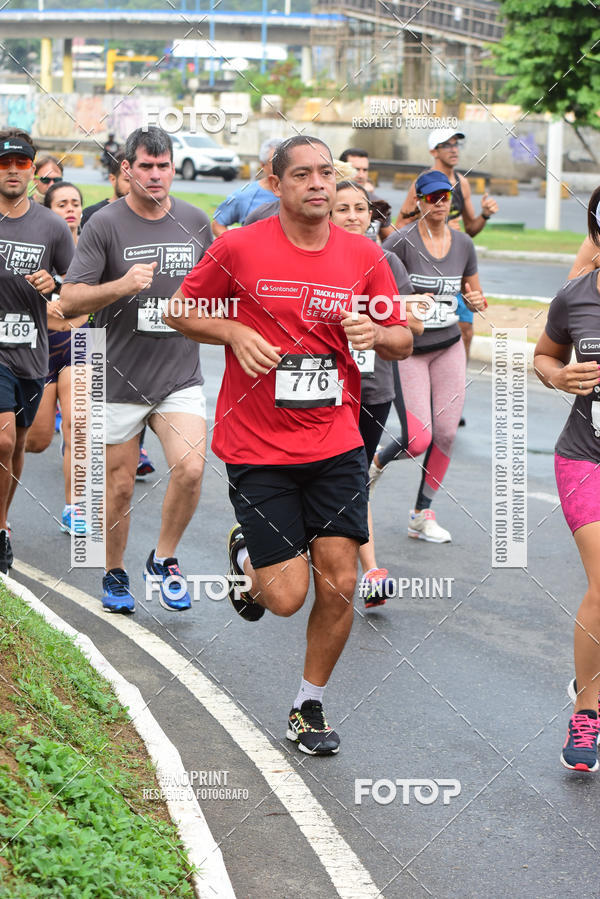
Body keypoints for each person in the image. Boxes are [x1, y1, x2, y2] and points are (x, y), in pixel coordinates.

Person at [165, 135, 413, 755]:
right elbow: (178, 310)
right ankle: (247, 555)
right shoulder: (239, 247)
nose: (318, 184)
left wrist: (377, 331)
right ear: (274, 184)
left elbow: (405, 338)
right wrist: (232, 329)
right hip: (257, 447)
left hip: (335, 442)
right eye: (301, 175)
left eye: (325, 173)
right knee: (285, 598)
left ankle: (309, 705)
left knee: (337, 582)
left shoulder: (363, 255)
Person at [59, 126, 211, 613]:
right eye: (145, 166)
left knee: (190, 467)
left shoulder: (194, 221)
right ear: (127, 169)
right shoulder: (104, 223)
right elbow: (69, 300)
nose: (155, 175)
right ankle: (114, 571)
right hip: (117, 375)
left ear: (173, 168)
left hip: (178, 376)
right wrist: (121, 285)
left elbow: (214, 289)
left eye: (163, 166)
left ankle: (163, 559)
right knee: (119, 486)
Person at [370, 170, 486, 543]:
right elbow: (378, 287)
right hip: (411, 351)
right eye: (432, 198)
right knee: (418, 439)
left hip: (449, 344)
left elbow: (474, 292)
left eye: (446, 197)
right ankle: (375, 464)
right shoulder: (401, 242)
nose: (440, 204)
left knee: (447, 433)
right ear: (418, 201)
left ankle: (421, 513)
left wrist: (476, 301)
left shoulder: (464, 244)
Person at [330, 179, 424, 607]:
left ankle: (368, 571)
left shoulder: (387, 261)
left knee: (354, 475)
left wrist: (379, 323)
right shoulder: (315, 260)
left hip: (373, 389)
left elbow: (412, 330)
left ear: (371, 215)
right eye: (342, 208)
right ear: (326, 214)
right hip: (321, 390)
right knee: (330, 478)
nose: (353, 216)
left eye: (360, 209)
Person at [534, 187, 600, 772]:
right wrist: (559, 377)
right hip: (585, 456)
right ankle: (587, 711)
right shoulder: (575, 298)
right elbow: (543, 358)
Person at [0, 133, 75, 573]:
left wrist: (57, 285)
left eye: (21, 163)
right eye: (5, 163)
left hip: (32, 350)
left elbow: (77, 282)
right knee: (3, 438)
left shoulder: (50, 226)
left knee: (19, 444)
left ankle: (4, 523)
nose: (12, 170)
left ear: (32, 171)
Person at [395, 129, 498, 366]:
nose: (453, 149)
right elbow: (401, 225)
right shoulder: (422, 183)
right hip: (426, 266)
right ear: (434, 151)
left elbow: (470, 227)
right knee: (424, 330)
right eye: (446, 145)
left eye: (456, 145)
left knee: (466, 330)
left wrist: (485, 215)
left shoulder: (462, 183)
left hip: (455, 265)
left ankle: (454, 381)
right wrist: (430, 218)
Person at [80, 149, 154, 478]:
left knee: (141, 394)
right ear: (116, 178)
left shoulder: (155, 218)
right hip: (96, 329)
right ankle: (86, 471)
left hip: (139, 331)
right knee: (84, 419)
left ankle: (134, 449)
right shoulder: (97, 217)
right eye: (129, 177)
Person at [24, 182, 90, 535]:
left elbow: (88, 310)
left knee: (79, 424)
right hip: (38, 345)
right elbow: (40, 312)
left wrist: (68, 311)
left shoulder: (92, 249)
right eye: (61, 203)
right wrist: (66, 311)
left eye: (75, 203)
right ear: (47, 209)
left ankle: (75, 507)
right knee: (35, 440)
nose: (70, 209)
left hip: (82, 344)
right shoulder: (36, 246)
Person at [211, 137, 283, 237]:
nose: (281, 167)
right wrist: (237, 247)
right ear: (263, 165)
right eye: (275, 162)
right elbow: (217, 224)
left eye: (286, 162)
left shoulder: (303, 193)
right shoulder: (245, 195)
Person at [339, 148, 393, 240]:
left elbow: (392, 240)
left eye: (364, 170)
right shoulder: (328, 202)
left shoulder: (378, 203)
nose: (361, 175)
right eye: (355, 170)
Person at [81, 149, 130, 228]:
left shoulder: (149, 216)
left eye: (138, 182)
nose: (134, 187)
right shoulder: (91, 215)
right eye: (128, 181)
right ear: (113, 179)